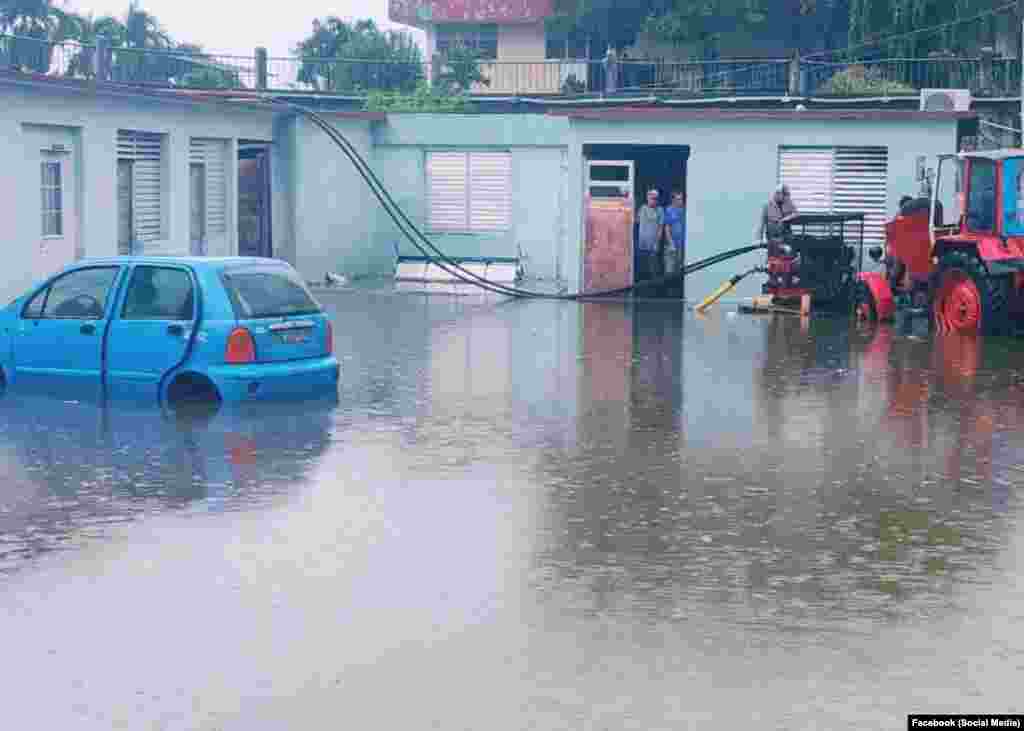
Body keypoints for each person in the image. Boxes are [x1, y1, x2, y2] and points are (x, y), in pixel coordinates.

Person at [756, 184, 798, 256]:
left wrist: (786, 219)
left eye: (787, 196)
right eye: (784, 196)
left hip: (786, 236)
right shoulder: (767, 206)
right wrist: (759, 239)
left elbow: (796, 213)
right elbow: (762, 224)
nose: (786, 198)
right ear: (778, 194)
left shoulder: (788, 202)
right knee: (774, 258)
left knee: (788, 257)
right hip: (773, 238)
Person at [636, 188, 664, 283]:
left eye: (655, 198)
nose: (653, 200)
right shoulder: (642, 208)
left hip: (653, 244)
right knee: (642, 268)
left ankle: (654, 289)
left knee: (654, 268)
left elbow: (661, 227)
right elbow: (636, 221)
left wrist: (657, 242)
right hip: (642, 244)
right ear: (647, 198)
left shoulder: (660, 210)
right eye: (651, 197)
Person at [662, 190, 686, 294]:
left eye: (681, 199)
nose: (680, 201)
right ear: (673, 200)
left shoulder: (685, 210)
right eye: (678, 199)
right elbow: (666, 228)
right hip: (671, 245)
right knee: (669, 268)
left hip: (682, 244)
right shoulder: (669, 210)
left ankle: (677, 290)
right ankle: (668, 291)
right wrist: (671, 242)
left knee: (679, 268)